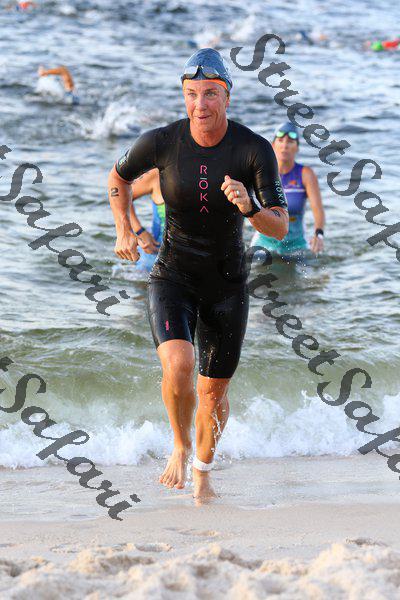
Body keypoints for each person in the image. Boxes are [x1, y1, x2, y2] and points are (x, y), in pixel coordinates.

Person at [108, 48, 288, 502]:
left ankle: (203, 471)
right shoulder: (161, 142)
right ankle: (180, 444)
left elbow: (280, 226)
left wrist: (250, 206)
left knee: (213, 392)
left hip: (227, 283)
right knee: (179, 363)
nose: (200, 104)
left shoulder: (253, 149)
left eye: (210, 93)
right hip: (173, 274)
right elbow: (117, 178)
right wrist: (124, 227)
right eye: (192, 94)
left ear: (227, 96)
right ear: (183, 96)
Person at [251, 121, 325, 259]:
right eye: (280, 140)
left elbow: (318, 210)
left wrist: (319, 234)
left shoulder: (306, 174)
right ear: (273, 145)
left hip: (296, 244)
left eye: (290, 142)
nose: (285, 145)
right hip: (264, 243)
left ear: (297, 148)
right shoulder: (260, 172)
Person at [128, 168, 165, 272]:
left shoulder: (204, 175)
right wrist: (139, 231)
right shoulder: (157, 174)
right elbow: (124, 195)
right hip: (155, 254)